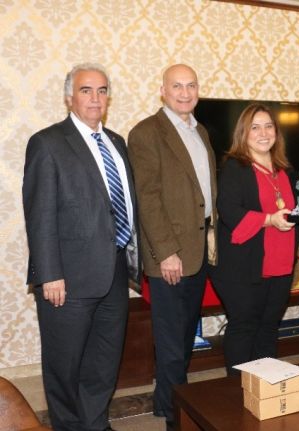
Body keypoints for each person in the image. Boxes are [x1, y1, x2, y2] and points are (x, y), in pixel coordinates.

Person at [22, 63, 140, 431]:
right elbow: (39, 214)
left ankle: (95, 423)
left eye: (102, 90)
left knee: (104, 361)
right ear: (69, 97)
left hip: (114, 273)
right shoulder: (48, 143)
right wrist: (49, 274)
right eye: (86, 90)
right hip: (67, 279)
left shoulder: (117, 142)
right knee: (64, 366)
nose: (95, 98)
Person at [127, 64, 217, 428]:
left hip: (198, 252)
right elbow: (147, 198)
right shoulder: (146, 132)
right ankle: (174, 420)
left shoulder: (201, 131)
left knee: (182, 340)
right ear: (162, 91)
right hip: (171, 256)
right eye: (176, 86)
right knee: (171, 346)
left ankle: (168, 403)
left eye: (190, 85)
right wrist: (166, 252)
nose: (184, 92)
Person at [210, 104, 299, 372]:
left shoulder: (285, 170)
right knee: (244, 327)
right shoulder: (234, 167)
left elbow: (298, 209)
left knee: (269, 327)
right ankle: (238, 389)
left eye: (269, 126)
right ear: (243, 133)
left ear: (276, 132)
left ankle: (264, 386)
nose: (263, 133)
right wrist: (269, 220)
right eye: (255, 127)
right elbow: (229, 210)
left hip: (281, 265)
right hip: (244, 266)